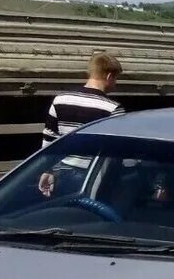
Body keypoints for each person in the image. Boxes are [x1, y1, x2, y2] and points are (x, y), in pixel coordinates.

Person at [39, 52, 124, 197]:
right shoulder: (113, 108)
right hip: (91, 179)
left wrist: (47, 170)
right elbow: (116, 153)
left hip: (61, 173)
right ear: (109, 76)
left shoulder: (60, 100)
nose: (115, 84)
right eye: (115, 79)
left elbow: (49, 140)